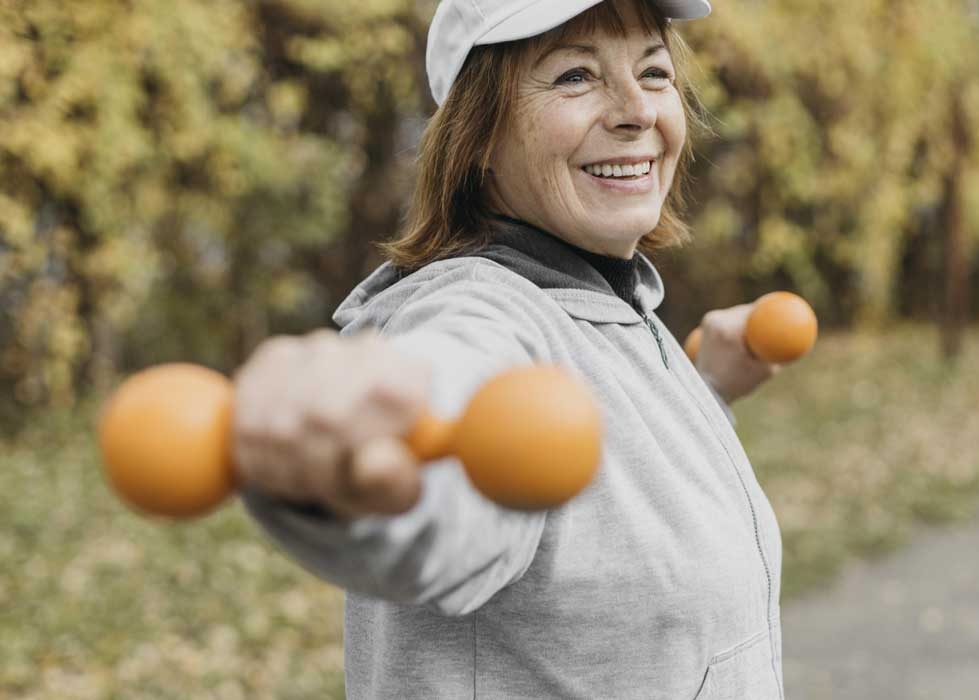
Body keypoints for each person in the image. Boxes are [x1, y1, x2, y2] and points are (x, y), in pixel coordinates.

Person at [235, 0, 786, 697]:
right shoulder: (475, 314)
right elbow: (451, 470)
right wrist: (358, 484)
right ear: (478, 137)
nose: (635, 111)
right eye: (574, 77)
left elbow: (599, 503)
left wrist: (704, 392)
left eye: (654, 71)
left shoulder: (609, 301)